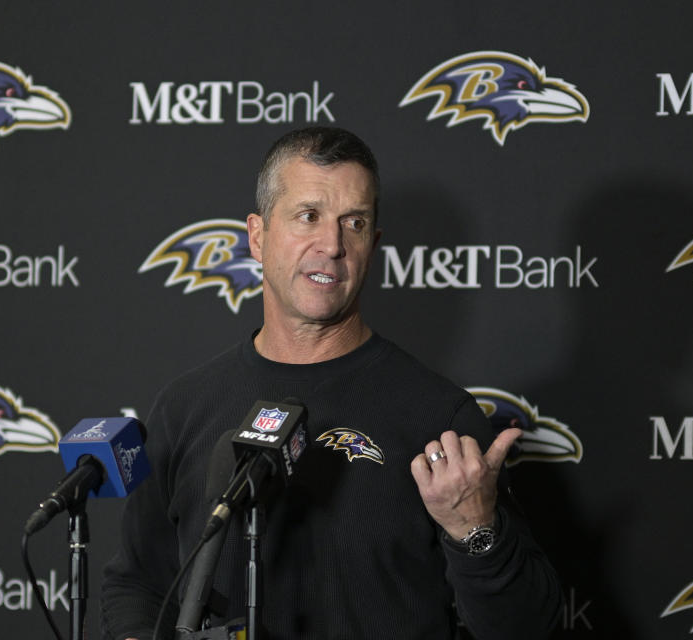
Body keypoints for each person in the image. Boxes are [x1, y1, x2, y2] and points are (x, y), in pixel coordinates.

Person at [100, 127, 562, 639]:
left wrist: (475, 531)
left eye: (355, 223)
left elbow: (527, 627)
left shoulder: (439, 417)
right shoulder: (185, 406)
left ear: (373, 245)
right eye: (308, 216)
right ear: (258, 236)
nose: (332, 245)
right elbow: (139, 583)